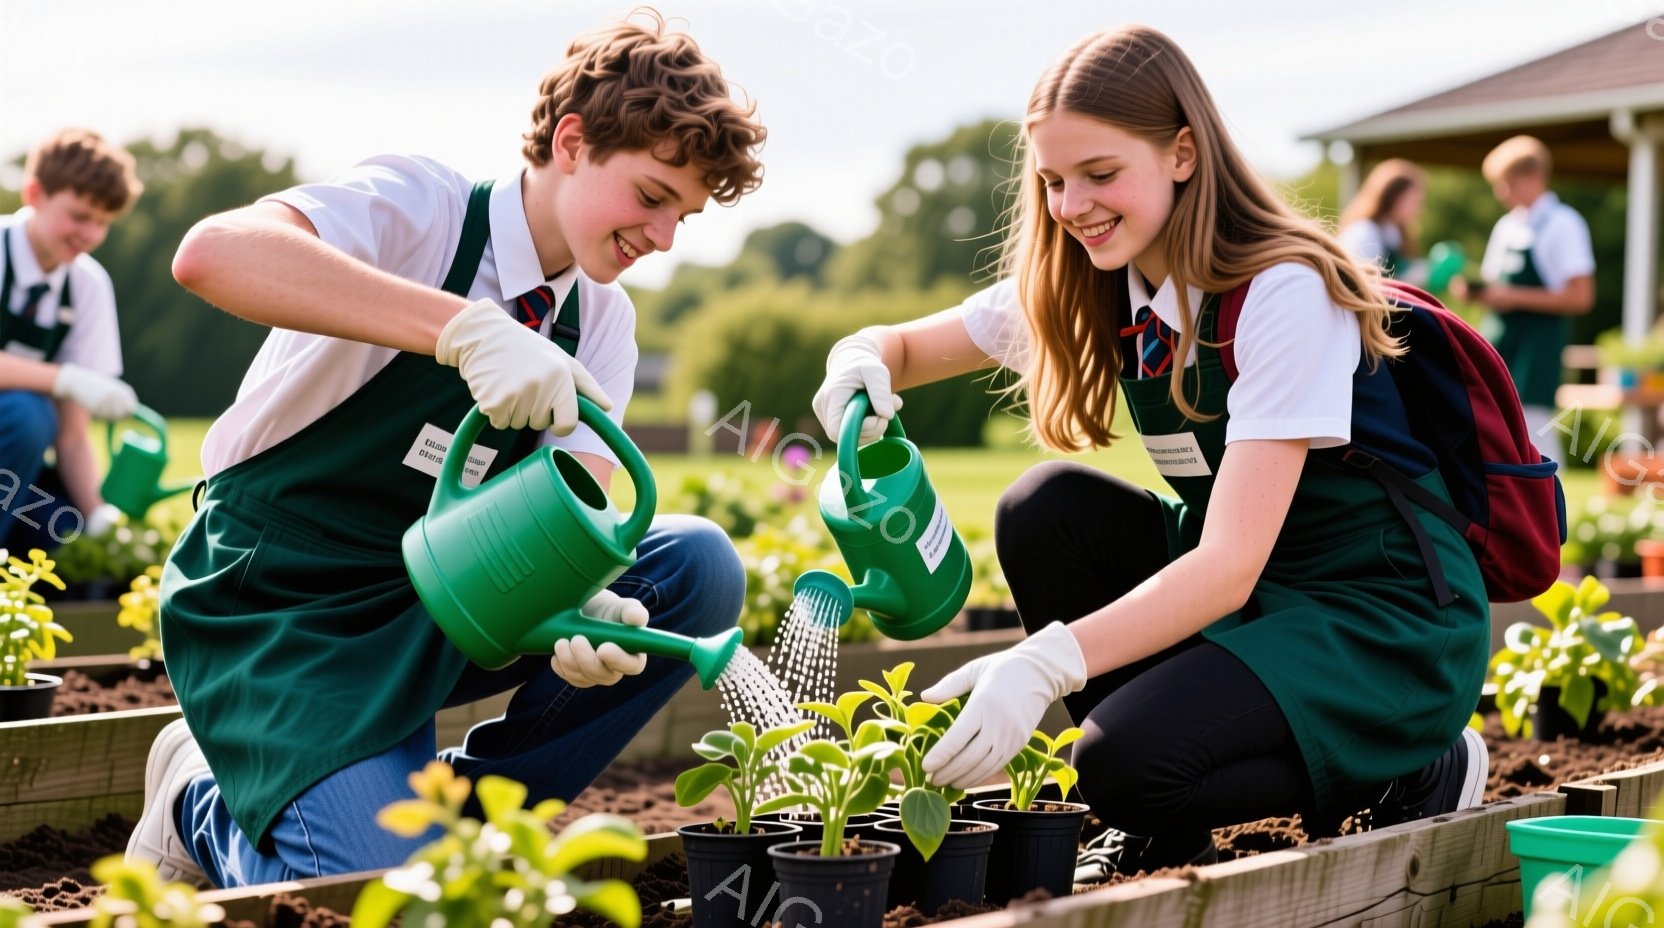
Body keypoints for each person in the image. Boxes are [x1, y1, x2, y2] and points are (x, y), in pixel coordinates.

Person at [812, 25, 1489, 880]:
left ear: (1181, 152)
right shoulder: (1100, 276)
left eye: (1100, 174)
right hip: (1264, 593)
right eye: (1053, 181)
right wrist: (860, 360)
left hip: (1374, 616)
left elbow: (1227, 566)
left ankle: (1413, 756)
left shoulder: (1281, 292)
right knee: (1045, 508)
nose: (1072, 205)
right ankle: (1165, 828)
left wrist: (1041, 664)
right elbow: (905, 347)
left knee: (1120, 767)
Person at [125, 10, 764, 888]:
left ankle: (462, 833)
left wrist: (589, 601)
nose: (662, 238)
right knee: (365, 903)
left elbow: (579, 515)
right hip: (280, 598)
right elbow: (213, 255)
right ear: (572, 141)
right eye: (654, 197)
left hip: (439, 596)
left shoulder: (602, 325)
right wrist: (461, 329)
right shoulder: (422, 209)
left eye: (683, 217)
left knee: (695, 568)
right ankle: (196, 799)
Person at [0, 129, 143, 549]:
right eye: (80, 216)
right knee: (29, 414)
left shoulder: (88, 286)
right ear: (35, 193)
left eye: (103, 223)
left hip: (5, 482)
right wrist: (63, 377)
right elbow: (52, 398)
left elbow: (73, 434)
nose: (90, 234)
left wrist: (97, 512)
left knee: (60, 522)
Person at [1457, 136, 1595, 468]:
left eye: (1507, 183)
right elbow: (1496, 284)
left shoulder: (1563, 223)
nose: (1501, 193)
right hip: (1501, 341)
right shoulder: (1507, 225)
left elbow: (1581, 297)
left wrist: (1514, 296)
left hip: (1537, 348)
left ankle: (1550, 511)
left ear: (1533, 177)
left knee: (1536, 435)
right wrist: (1478, 292)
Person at [1337, 158, 1429, 286]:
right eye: (1414, 201)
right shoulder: (1365, 232)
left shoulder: (1394, 234)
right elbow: (1353, 283)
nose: (1418, 209)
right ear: (1394, 197)